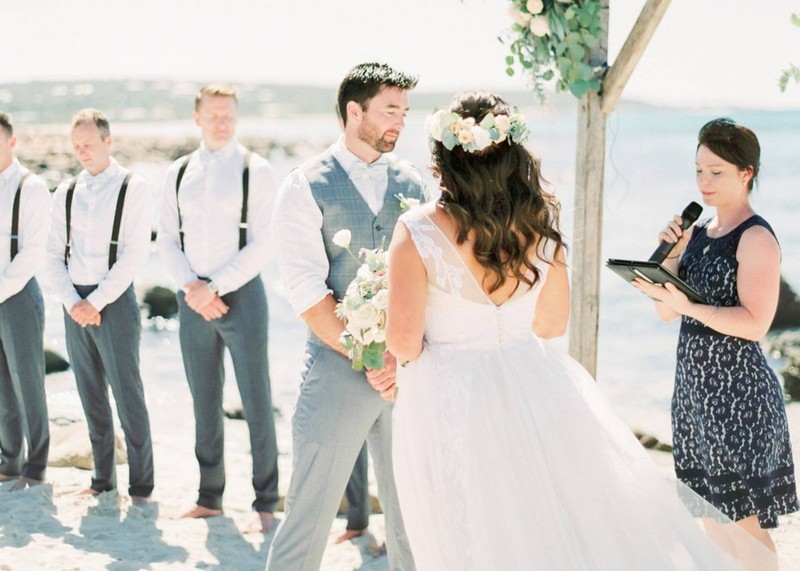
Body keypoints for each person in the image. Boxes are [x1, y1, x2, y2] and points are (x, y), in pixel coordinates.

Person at [387, 92, 772, 570]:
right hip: (534, 386)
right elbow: (550, 325)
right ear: (513, 156)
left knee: (467, 529)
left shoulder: (418, 230)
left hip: (450, 397)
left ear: (445, 155)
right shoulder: (541, 224)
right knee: (542, 526)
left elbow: (402, 343)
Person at [266, 62, 423, 571]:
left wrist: (401, 356)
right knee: (309, 513)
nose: (400, 121)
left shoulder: (415, 183)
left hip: (408, 372)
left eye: (404, 111)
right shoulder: (303, 186)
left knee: (414, 517)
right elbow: (307, 294)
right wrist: (370, 354)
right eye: (390, 110)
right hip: (338, 366)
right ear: (354, 111)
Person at [634, 117, 798, 564]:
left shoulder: (757, 238)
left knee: (744, 529)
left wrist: (688, 305)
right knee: (712, 525)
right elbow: (665, 311)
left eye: (717, 172)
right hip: (694, 397)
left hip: (738, 399)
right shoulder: (699, 236)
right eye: (699, 170)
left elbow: (756, 324)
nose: (704, 182)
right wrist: (670, 253)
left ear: (747, 173)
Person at [157, 84, 280, 532]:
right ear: (198, 117)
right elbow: (168, 238)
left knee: (256, 399)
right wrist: (192, 287)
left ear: (236, 116)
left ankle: (266, 501)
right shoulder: (177, 172)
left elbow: (266, 242)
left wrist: (216, 286)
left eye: (228, 114)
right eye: (213, 114)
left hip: (242, 295)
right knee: (203, 400)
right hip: (191, 298)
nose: (221, 121)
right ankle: (209, 497)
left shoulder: (256, 169)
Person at [45, 109, 154, 502]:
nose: (82, 152)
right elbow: (52, 253)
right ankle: (102, 479)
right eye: (76, 146)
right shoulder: (66, 191)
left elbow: (134, 255)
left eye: (89, 144)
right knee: (90, 393)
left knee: (128, 393)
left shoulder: (133, 186)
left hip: (115, 299)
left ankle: (142, 485)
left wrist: (96, 301)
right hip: (73, 302)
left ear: (108, 142)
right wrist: (74, 302)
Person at [0, 112, 51, 488]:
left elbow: (32, 252)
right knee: (2, 387)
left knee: (27, 383)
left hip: (18, 296)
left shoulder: (30, 187)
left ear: (12, 142)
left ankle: (36, 468)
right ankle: (9, 463)